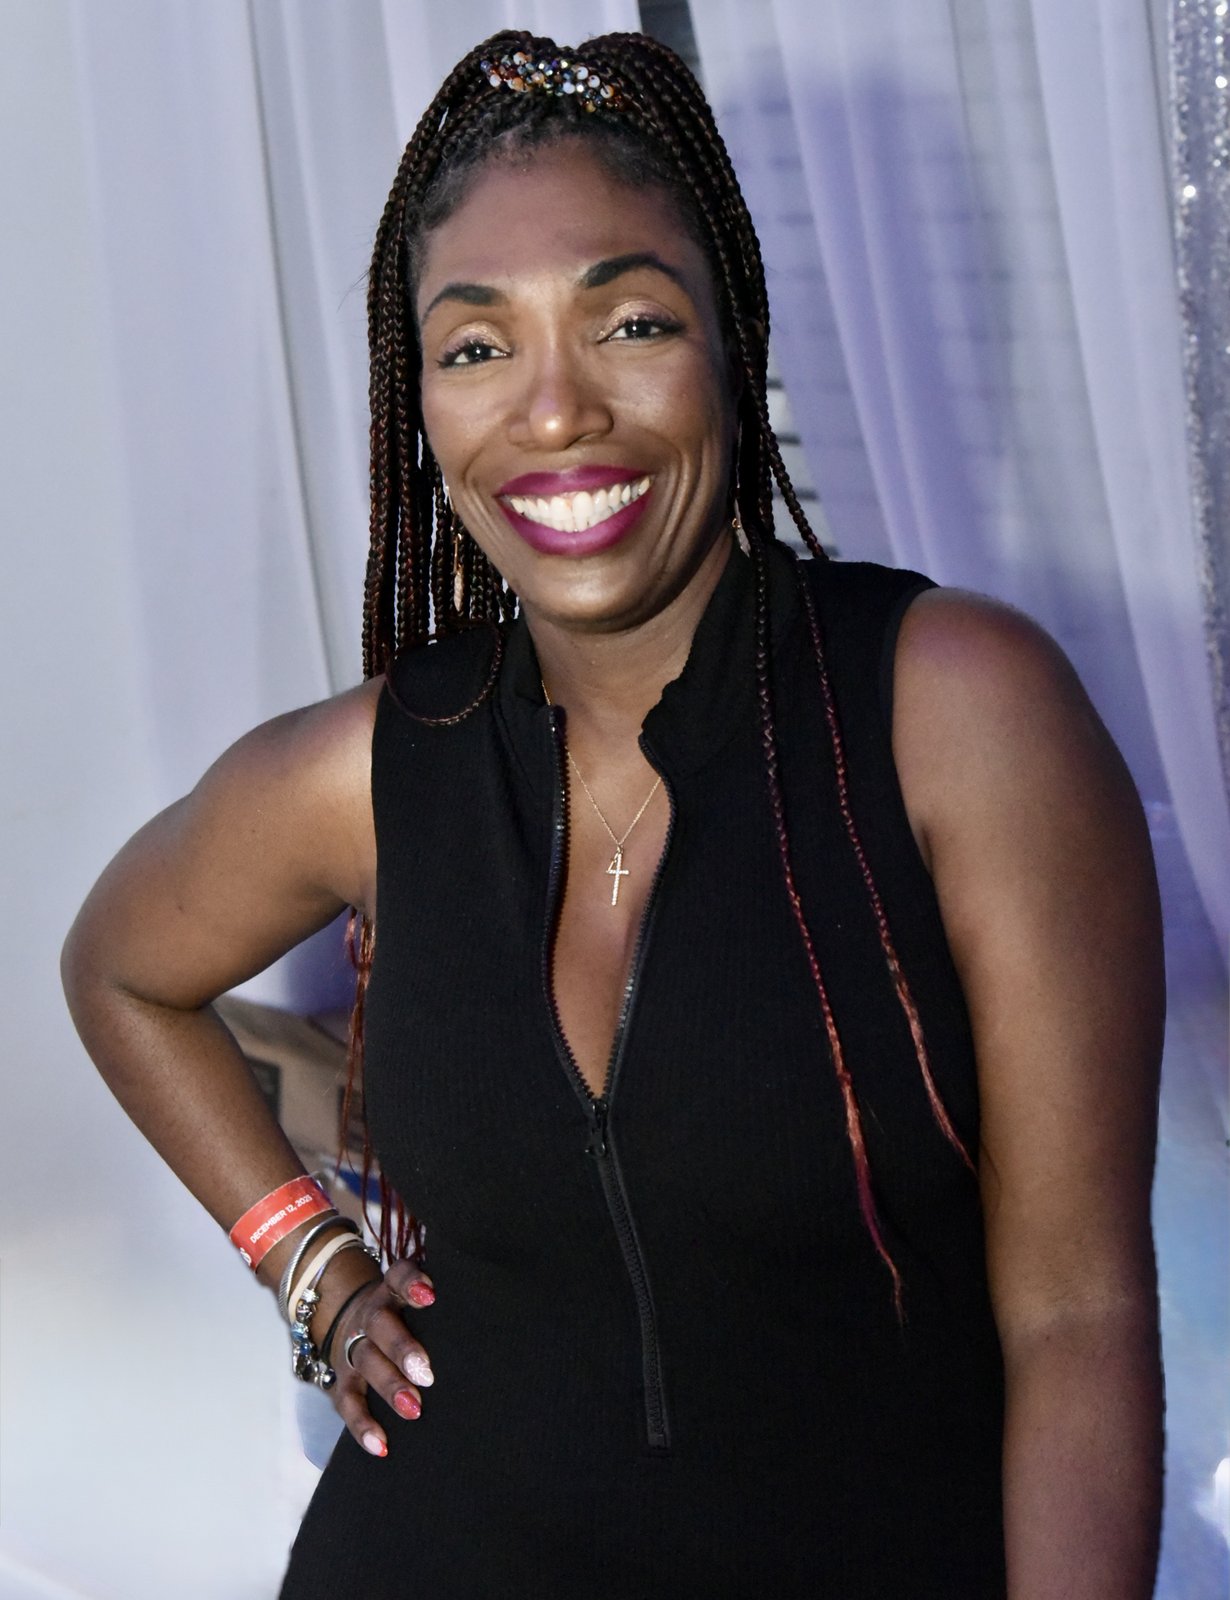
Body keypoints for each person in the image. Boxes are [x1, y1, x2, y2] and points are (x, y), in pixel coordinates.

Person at [61, 28, 1165, 1599]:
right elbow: (118, 969)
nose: (554, 411)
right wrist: (310, 1265)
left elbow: (1074, 1318)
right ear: (422, 407)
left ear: (729, 339)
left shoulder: (952, 711)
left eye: (628, 321)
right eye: (476, 347)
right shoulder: (372, 768)